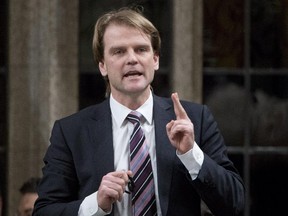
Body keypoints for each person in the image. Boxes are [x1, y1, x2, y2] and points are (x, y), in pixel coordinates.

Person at [33, 6, 245, 216]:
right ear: (102, 66)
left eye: (141, 49)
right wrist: (95, 204)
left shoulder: (195, 119)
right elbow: (44, 211)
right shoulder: (71, 132)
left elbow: (234, 204)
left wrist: (191, 154)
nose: (132, 59)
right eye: (119, 51)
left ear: (155, 60)